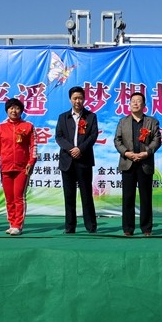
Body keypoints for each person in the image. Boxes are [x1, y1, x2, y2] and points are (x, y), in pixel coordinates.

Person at [114, 92, 162, 236]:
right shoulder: (123, 122)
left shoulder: (152, 122)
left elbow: (157, 140)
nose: (135, 103)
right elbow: (117, 140)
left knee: (145, 197)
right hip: (128, 163)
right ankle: (128, 229)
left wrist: (146, 153)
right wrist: (126, 153)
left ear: (144, 105)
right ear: (129, 104)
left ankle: (146, 228)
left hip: (145, 163)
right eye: (133, 101)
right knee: (128, 197)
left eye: (138, 101)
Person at [55, 86, 99, 233]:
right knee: (69, 195)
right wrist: (71, 149)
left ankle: (91, 226)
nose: (77, 101)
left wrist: (80, 149)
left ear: (84, 99)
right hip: (67, 161)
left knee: (86, 194)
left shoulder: (91, 116)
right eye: (75, 98)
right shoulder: (63, 117)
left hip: (84, 160)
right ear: (70, 100)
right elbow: (59, 137)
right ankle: (70, 226)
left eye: (80, 98)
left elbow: (93, 136)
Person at [0, 98, 37, 236]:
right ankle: (11, 224)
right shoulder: (1, 127)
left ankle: (18, 225)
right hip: (6, 167)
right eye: (11, 108)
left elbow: (33, 146)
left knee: (19, 197)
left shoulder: (28, 126)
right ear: (7, 110)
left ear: (21, 111)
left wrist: (31, 162)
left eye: (17, 108)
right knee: (9, 198)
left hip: (22, 168)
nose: (14, 111)